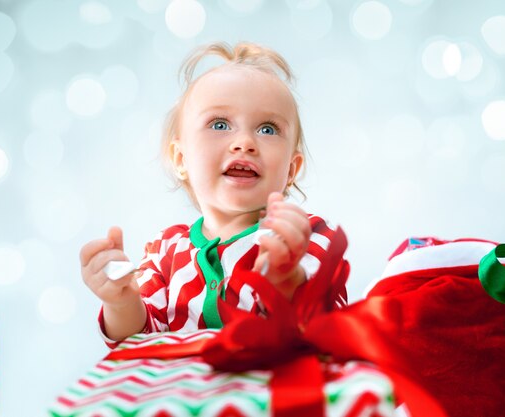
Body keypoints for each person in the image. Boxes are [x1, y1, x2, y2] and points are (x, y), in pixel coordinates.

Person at [80, 42, 345, 347]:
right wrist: (121, 301)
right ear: (181, 159)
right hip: (185, 394)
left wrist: (289, 282)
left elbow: (331, 328)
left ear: (291, 169)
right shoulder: (165, 251)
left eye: (268, 129)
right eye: (220, 124)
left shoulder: (305, 237)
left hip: (272, 390)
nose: (244, 142)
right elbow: (138, 341)